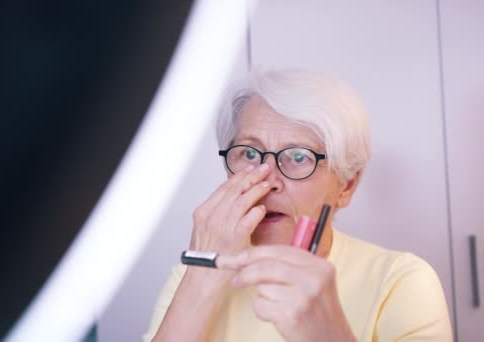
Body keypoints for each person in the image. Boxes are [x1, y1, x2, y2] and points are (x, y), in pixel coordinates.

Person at [142, 68, 453, 341]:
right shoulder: (192, 275)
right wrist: (203, 272)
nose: (268, 181)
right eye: (250, 155)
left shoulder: (400, 281)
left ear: (346, 185)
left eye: (299, 157)